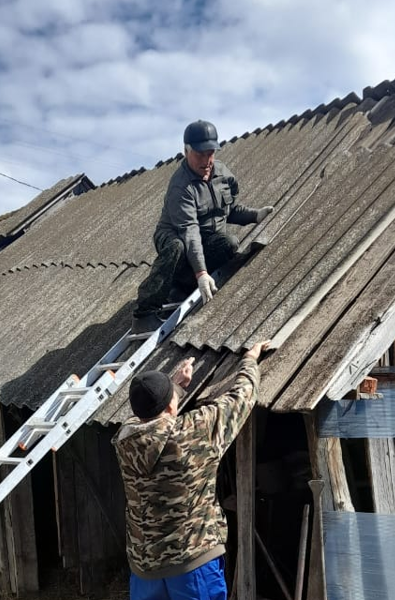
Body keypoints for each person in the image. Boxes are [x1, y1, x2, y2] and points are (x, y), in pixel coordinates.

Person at [113, 339, 272, 600]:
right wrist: (250, 360)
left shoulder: (124, 441)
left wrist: (173, 389)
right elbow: (241, 397)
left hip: (145, 569)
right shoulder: (193, 431)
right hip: (192, 564)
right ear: (171, 407)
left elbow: (153, 420)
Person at [132, 120, 274, 333]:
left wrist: (255, 215)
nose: (207, 160)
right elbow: (189, 232)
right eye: (200, 154)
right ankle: (144, 313)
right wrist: (201, 273)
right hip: (176, 235)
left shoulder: (222, 173)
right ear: (186, 151)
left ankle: (184, 283)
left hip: (206, 237)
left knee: (229, 243)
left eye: (211, 153)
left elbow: (229, 209)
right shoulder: (181, 187)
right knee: (177, 247)